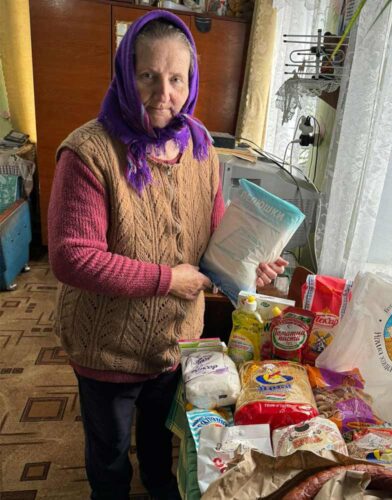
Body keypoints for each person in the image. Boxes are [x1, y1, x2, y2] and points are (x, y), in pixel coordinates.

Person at [47, 10, 286, 500]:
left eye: (177, 78)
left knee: (160, 444)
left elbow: (213, 238)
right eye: (148, 76)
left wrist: (247, 266)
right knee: (110, 455)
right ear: (124, 74)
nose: (163, 94)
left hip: (175, 341)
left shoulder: (200, 147)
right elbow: (72, 257)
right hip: (106, 345)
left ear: (191, 80)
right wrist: (165, 279)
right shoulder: (88, 152)